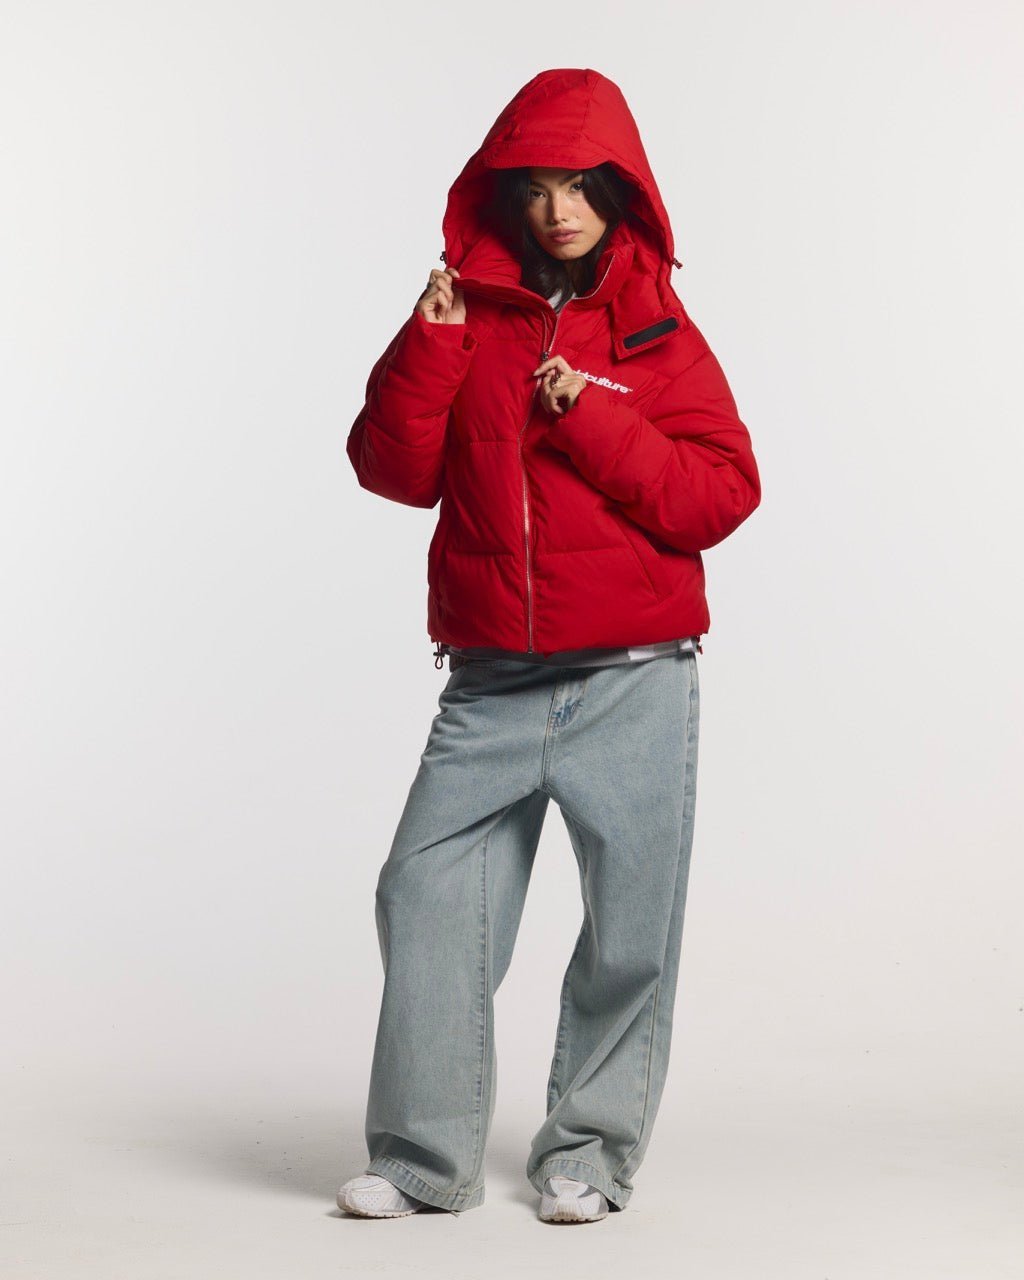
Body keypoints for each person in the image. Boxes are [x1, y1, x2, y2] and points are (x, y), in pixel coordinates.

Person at [338, 67, 761, 1224]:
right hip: (491, 679)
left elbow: (720, 494)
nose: (558, 209)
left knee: (628, 931)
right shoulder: (462, 319)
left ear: (620, 194)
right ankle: (422, 1157)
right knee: (424, 891)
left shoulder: (660, 333)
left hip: (634, 677)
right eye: (534, 188)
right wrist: (430, 348)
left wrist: (594, 413)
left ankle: (588, 1153)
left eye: (580, 186)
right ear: (502, 197)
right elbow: (391, 471)